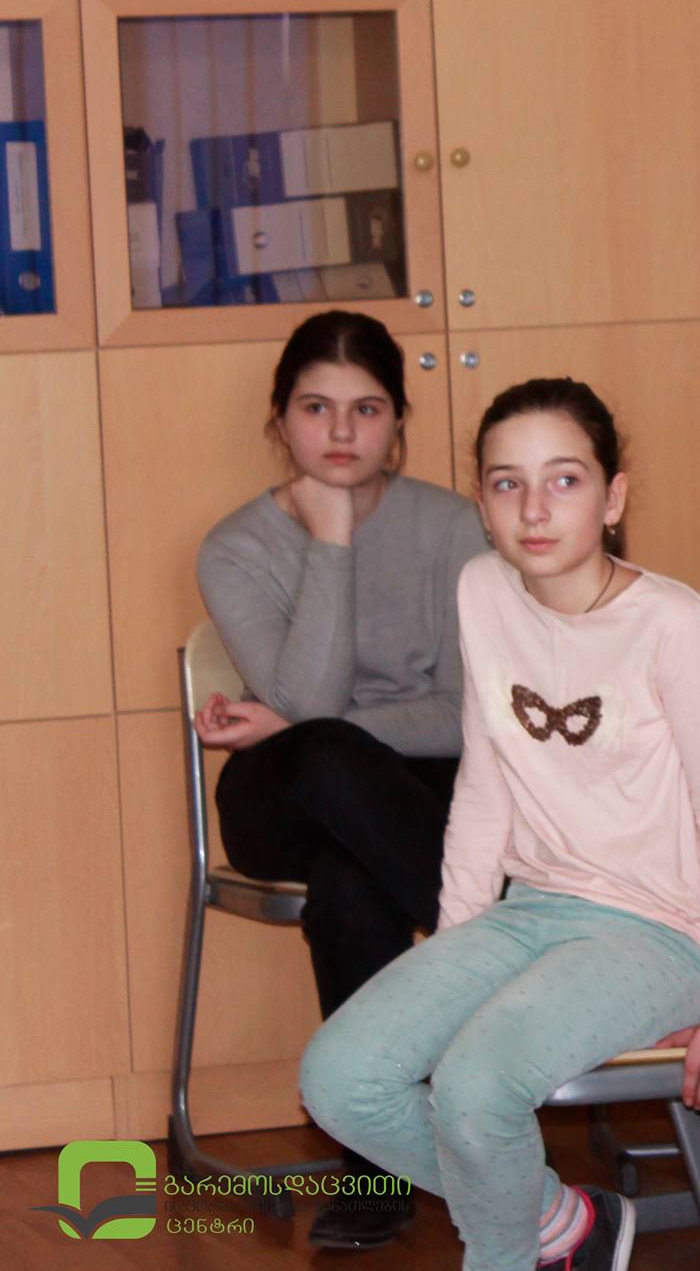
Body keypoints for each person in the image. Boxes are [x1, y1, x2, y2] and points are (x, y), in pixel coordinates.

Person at [298, 379, 700, 1271]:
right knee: (339, 1079)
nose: (535, 509)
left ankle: (510, 1252)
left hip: (660, 931)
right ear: (481, 503)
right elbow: (486, 782)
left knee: (477, 1088)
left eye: (565, 480)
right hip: (529, 910)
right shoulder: (483, 589)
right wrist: (458, 947)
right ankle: (558, 1220)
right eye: (507, 483)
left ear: (613, 497)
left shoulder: (676, 624)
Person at [194, 310, 487, 1250]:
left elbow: (462, 713)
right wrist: (330, 537)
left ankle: (377, 1166)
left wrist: (302, 720)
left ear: (398, 420)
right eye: (316, 407)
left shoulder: (452, 527)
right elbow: (307, 705)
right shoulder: (235, 547)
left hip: (417, 791)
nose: (341, 431)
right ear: (280, 418)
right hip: (282, 793)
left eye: (366, 409)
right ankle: (500, 956)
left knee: (352, 886)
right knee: (323, 756)